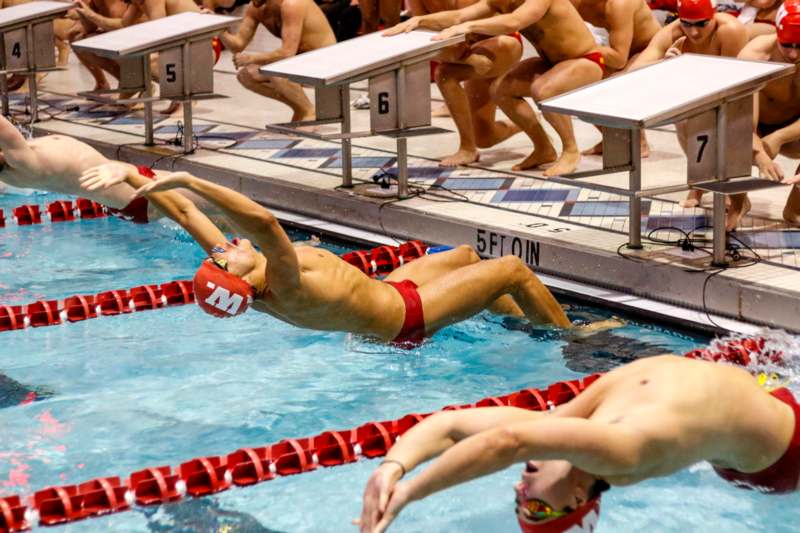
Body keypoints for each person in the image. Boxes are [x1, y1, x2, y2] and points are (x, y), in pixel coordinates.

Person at [80, 164, 576, 345]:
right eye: (222, 259)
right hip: (407, 318)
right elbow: (266, 223)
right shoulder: (284, 281)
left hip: (389, 292)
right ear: (240, 279)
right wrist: (190, 175)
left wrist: (127, 172)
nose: (224, 248)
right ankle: (569, 338)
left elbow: (188, 215)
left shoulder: (245, 279)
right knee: (511, 269)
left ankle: (520, 324)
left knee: (468, 256)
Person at [358, 352, 800, 533]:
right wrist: (408, 496)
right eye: (536, 508)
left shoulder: (574, 422)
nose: (518, 491)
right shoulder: (624, 455)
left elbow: (453, 428)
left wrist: (393, 471)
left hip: (767, 409)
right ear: (577, 498)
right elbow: (508, 440)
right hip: (786, 461)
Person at [387, 0, 606, 176]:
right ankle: (543, 148)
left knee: (543, 89)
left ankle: (570, 151)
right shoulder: (497, 1)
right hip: (551, 62)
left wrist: (468, 26)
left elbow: (514, 22)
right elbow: (458, 17)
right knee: (501, 90)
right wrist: (420, 20)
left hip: (587, 59)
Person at [629, 0, 747, 217]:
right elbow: (635, 69)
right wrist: (663, 64)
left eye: (702, 24)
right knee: (683, 120)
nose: (693, 32)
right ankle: (699, 181)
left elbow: (737, 80)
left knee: (718, 127)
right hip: (695, 94)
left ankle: (734, 193)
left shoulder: (730, 31)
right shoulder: (672, 33)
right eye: (687, 23)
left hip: (732, 93)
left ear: (713, 17)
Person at [0, 115, 200, 226]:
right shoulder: (22, 162)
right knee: (224, 207)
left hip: (130, 191)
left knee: (221, 221)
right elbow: (4, 129)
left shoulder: (14, 167)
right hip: (140, 194)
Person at [394, 0, 523, 167]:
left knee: (445, 74)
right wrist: (466, 57)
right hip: (467, 48)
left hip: (501, 42)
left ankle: (467, 148)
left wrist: (458, 53)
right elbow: (423, 37)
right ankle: (526, 124)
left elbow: (463, 22)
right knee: (484, 138)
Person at [732, 0, 800, 227]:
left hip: (792, 129)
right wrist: (759, 153)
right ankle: (738, 203)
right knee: (723, 139)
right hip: (757, 126)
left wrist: (779, 137)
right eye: (787, 45)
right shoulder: (754, 56)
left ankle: (795, 209)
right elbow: (741, 121)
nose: (793, 54)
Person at [219, 0, 337, 122]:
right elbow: (238, 45)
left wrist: (251, 58)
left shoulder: (293, 4)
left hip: (326, 61)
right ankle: (300, 108)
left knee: (276, 71)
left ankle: (310, 112)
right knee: (246, 75)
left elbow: (287, 53)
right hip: (300, 59)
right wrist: (219, 30)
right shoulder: (256, 8)